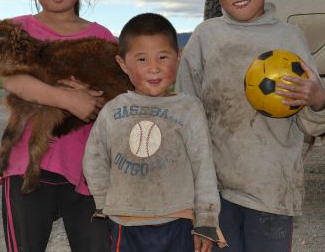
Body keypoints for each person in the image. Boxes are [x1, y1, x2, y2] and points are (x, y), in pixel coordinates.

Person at [176, 0, 325, 252]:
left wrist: (318, 100)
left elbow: (314, 121)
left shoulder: (289, 38)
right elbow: (184, 108)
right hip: (216, 191)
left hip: (272, 190)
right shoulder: (206, 37)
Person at [0, 0, 112, 252]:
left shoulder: (100, 36)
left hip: (88, 172)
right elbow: (14, 80)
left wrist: (95, 98)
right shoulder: (18, 29)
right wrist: (70, 99)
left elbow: (115, 94)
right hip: (26, 168)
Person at [83, 13, 227, 252]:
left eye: (162, 57)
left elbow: (203, 167)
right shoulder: (113, 110)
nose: (154, 68)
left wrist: (206, 221)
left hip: (178, 221)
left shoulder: (188, 109)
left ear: (178, 57)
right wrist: (107, 202)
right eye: (141, 59)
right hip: (126, 223)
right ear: (122, 64)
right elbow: (94, 160)